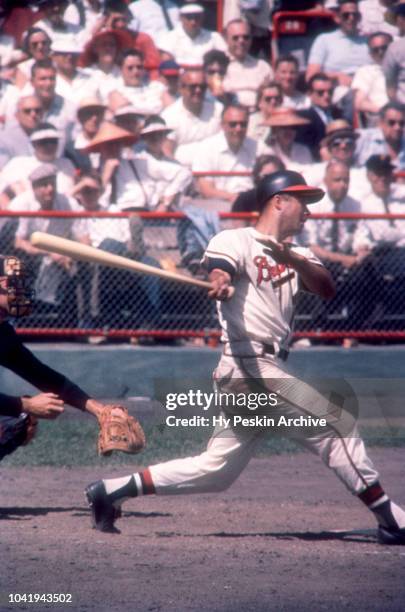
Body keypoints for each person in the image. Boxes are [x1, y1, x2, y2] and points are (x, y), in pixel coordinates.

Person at [85, 169, 405, 546]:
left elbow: (327, 288)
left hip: (264, 368)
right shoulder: (235, 238)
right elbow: (222, 267)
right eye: (303, 202)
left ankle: (111, 490)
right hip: (247, 365)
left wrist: (294, 260)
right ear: (278, 201)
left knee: (216, 470)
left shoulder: (300, 252)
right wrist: (220, 281)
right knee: (337, 426)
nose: (309, 212)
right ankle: (392, 520)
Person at [0, 254, 121, 461]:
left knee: (18, 423)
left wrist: (100, 411)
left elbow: (42, 375)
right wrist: (26, 405)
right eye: (13, 284)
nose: (20, 290)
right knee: (16, 416)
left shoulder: (3, 333)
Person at [192, 104, 257, 208]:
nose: (238, 128)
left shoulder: (258, 147)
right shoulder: (207, 148)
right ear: (222, 125)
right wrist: (237, 199)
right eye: (233, 124)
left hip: (253, 205)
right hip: (220, 205)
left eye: (243, 124)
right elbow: (206, 190)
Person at [161, 69, 223, 167]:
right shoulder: (169, 116)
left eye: (202, 87)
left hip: (217, 170)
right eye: (193, 87)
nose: (198, 90)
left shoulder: (218, 110)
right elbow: (167, 152)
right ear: (181, 88)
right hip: (184, 172)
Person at [306, 0, 370, 88]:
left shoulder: (368, 41)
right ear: (337, 18)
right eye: (346, 15)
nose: (351, 18)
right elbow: (311, 76)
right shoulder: (324, 39)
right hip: (338, 88)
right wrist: (336, 76)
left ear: (359, 18)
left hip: (367, 87)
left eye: (355, 15)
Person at [222, 18, 273, 110]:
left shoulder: (263, 67)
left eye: (246, 37)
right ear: (225, 38)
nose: (241, 41)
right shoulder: (218, 66)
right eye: (235, 37)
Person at [156, 3, 227, 66]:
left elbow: (225, 58)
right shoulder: (168, 38)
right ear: (181, 18)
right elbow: (166, 64)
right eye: (189, 18)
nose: (193, 22)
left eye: (197, 17)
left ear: (202, 17)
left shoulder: (214, 37)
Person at [295, 74, 342, 160]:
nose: (326, 96)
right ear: (309, 94)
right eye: (321, 92)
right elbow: (306, 147)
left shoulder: (339, 113)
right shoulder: (304, 117)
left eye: (330, 92)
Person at [351, 31, 392, 127]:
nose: (380, 52)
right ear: (370, 54)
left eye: (384, 48)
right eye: (375, 50)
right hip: (381, 118)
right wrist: (387, 112)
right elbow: (360, 103)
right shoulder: (365, 72)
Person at [355, 101, 405, 167]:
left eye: (401, 123)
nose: (397, 127)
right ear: (381, 123)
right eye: (392, 122)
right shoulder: (363, 138)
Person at [0, 95, 43, 171]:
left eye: (37, 110)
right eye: (27, 111)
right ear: (17, 115)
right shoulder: (4, 140)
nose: (33, 114)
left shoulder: (50, 135)